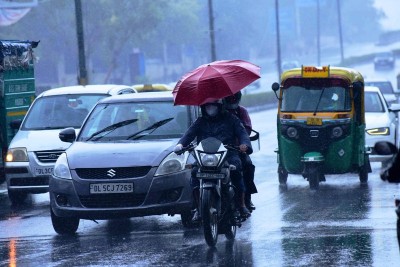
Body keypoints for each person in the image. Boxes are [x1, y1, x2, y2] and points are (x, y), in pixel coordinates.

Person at [174, 99, 253, 221]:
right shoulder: (200, 121)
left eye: (213, 106)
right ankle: (199, 209)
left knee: (236, 170)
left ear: (220, 106)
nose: (210, 108)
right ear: (203, 107)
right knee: (194, 173)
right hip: (204, 155)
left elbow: (242, 133)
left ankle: (241, 205)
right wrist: (180, 145)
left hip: (228, 154)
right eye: (207, 106)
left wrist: (245, 145)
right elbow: (189, 134)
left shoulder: (231, 119)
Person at [223, 91, 257, 211]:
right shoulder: (216, 112)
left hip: (236, 149)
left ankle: (246, 198)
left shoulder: (241, 112)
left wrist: (242, 144)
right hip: (218, 150)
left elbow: (246, 130)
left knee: (247, 165)